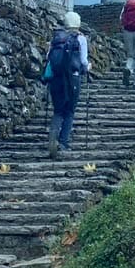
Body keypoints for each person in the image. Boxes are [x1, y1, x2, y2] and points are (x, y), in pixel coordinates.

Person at [46, 11, 90, 158]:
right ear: (78, 23)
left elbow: (48, 58)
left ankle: (53, 137)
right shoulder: (80, 38)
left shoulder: (57, 38)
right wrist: (88, 67)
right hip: (73, 79)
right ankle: (63, 142)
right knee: (69, 111)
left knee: (58, 110)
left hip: (56, 79)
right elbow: (83, 61)